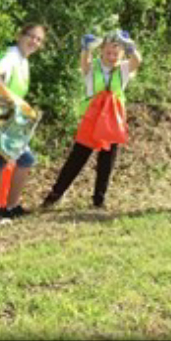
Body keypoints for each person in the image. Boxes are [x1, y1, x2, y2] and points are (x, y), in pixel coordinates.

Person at [42, 29, 142, 210]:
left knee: (107, 160)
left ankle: (99, 199)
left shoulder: (123, 69)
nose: (112, 57)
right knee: (77, 157)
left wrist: (130, 47)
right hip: (92, 118)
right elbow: (84, 62)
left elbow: (137, 61)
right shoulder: (93, 66)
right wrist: (86, 48)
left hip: (112, 120)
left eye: (116, 53)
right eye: (108, 52)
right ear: (101, 50)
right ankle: (56, 194)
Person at [0, 24, 46, 219]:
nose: (34, 42)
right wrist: (5, 97)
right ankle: (1, 207)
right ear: (20, 36)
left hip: (12, 120)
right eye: (31, 36)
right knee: (22, 160)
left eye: (39, 40)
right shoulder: (11, 56)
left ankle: (4, 207)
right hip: (3, 118)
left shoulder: (22, 59)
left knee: (0, 160)